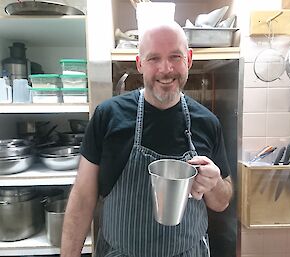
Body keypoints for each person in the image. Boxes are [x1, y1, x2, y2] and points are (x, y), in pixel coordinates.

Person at [60, 21, 233, 257]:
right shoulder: (109, 116)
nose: (166, 69)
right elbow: (82, 198)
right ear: (139, 63)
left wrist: (214, 185)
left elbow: (222, 202)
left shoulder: (208, 122)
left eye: (175, 56)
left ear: (189, 59)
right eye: (154, 58)